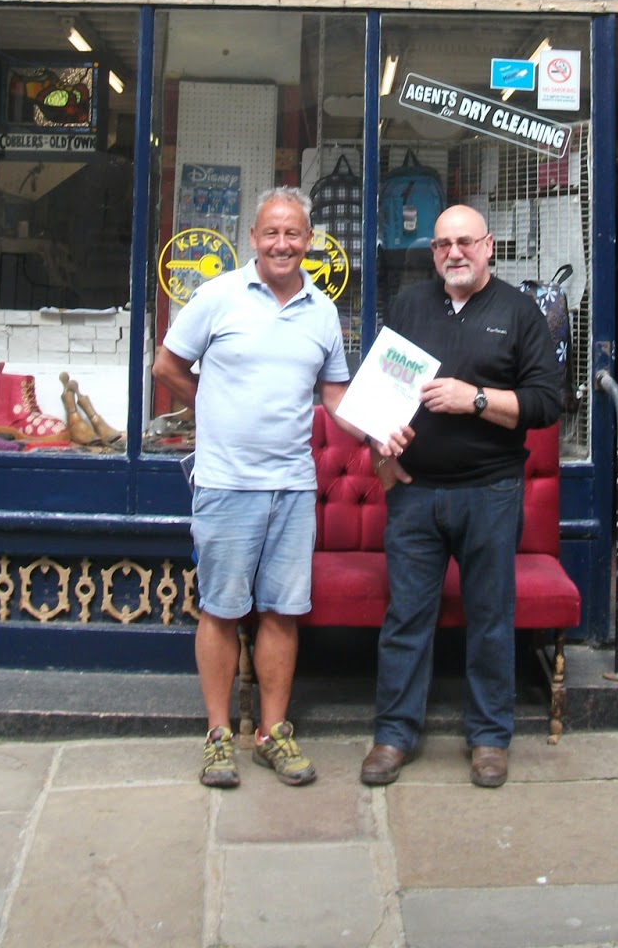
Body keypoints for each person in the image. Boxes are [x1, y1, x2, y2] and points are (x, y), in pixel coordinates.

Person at [155, 186, 410, 791]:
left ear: (310, 241)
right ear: (253, 238)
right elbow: (167, 365)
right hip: (226, 482)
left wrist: (382, 432)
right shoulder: (217, 297)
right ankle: (220, 738)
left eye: (294, 234)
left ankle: (272, 733)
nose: (282, 244)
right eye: (271, 232)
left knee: (282, 611)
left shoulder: (322, 311)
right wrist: (209, 406)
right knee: (220, 609)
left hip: (293, 486)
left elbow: (336, 399)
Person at [360, 203, 561, 790]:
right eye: (444, 243)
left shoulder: (520, 313)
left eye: (466, 242)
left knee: (491, 618)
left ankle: (490, 738)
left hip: (490, 493)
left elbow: (547, 405)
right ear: (433, 253)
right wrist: (382, 452)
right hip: (416, 494)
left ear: (489, 246)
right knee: (406, 618)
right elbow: (379, 395)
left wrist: (475, 398)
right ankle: (393, 735)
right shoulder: (409, 307)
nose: (455, 252)